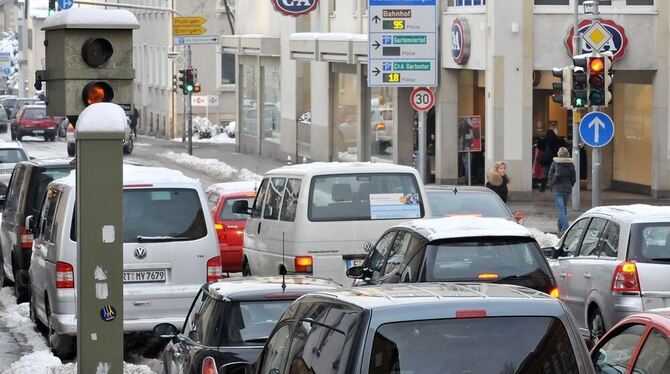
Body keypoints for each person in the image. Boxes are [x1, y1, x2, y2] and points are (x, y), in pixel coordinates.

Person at [548, 147, 576, 236]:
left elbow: (550, 175)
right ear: (567, 154)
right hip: (567, 190)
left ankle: (566, 229)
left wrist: (551, 185)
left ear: (559, 154)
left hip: (557, 189)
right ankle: (560, 227)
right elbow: (573, 178)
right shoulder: (571, 164)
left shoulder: (555, 163)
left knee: (561, 209)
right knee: (563, 209)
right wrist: (570, 186)